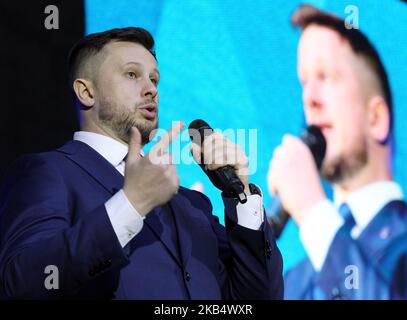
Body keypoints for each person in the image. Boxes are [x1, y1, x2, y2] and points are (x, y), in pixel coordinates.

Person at [0, 27, 283, 299]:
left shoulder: (192, 205)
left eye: (154, 79)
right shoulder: (48, 173)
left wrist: (240, 196)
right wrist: (131, 204)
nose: (151, 90)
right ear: (86, 92)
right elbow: (23, 282)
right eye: (132, 74)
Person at [267, 5, 406, 299]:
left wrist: (313, 212)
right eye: (304, 82)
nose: (309, 99)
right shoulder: (293, 281)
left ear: (376, 119)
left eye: (326, 76)